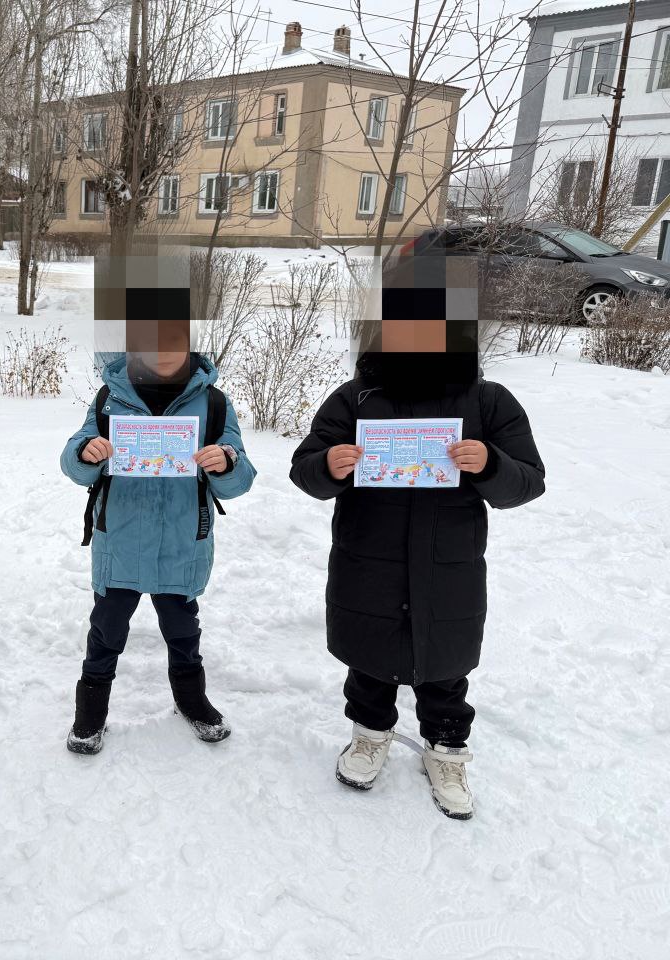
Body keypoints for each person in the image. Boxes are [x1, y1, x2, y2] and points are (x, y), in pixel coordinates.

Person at [288, 268, 545, 820]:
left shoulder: (488, 401)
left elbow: (528, 481)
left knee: (445, 666)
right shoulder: (356, 397)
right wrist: (329, 465)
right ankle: (369, 734)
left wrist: (490, 463)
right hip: (367, 562)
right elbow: (304, 468)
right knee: (369, 659)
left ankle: (446, 750)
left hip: (448, 568)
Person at [59, 284, 257, 754]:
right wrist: (86, 453)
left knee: (184, 632)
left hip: (182, 546)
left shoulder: (213, 404)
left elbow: (240, 477)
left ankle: (192, 701)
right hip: (121, 543)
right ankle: (90, 711)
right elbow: (74, 462)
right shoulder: (110, 398)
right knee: (105, 633)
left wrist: (226, 462)